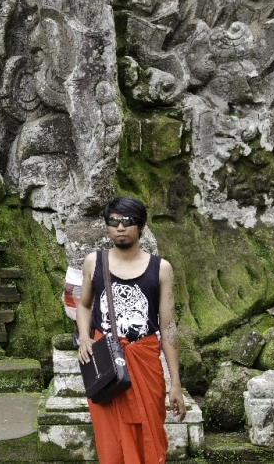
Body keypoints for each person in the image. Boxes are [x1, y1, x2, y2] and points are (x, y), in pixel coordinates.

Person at [76, 196, 186, 463]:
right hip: (107, 363)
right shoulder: (94, 262)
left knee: (148, 431)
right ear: (107, 227)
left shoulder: (161, 269)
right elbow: (84, 305)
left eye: (128, 221)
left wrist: (176, 383)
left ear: (142, 226)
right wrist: (83, 338)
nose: (120, 227)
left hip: (144, 359)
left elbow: (168, 326)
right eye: (113, 221)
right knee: (111, 440)